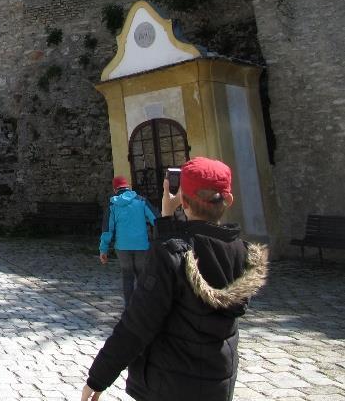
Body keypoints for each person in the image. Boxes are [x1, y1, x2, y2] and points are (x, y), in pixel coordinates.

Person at [81, 157, 268, 401]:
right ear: (229, 200)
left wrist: (98, 378)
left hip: (169, 383)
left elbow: (137, 325)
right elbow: (193, 253)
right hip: (217, 382)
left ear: (182, 200)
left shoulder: (171, 256)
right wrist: (166, 227)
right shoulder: (242, 253)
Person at [98, 175, 157, 307]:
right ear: (129, 187)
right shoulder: (141, 201)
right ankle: (146, 307)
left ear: (115, 189)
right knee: (142, 276)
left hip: (122, 246)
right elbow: (156, 219)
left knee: (127, 277)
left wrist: (103, 249)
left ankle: (129, 309)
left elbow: (107, 229)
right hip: (141, 245)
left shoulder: (113, 205)